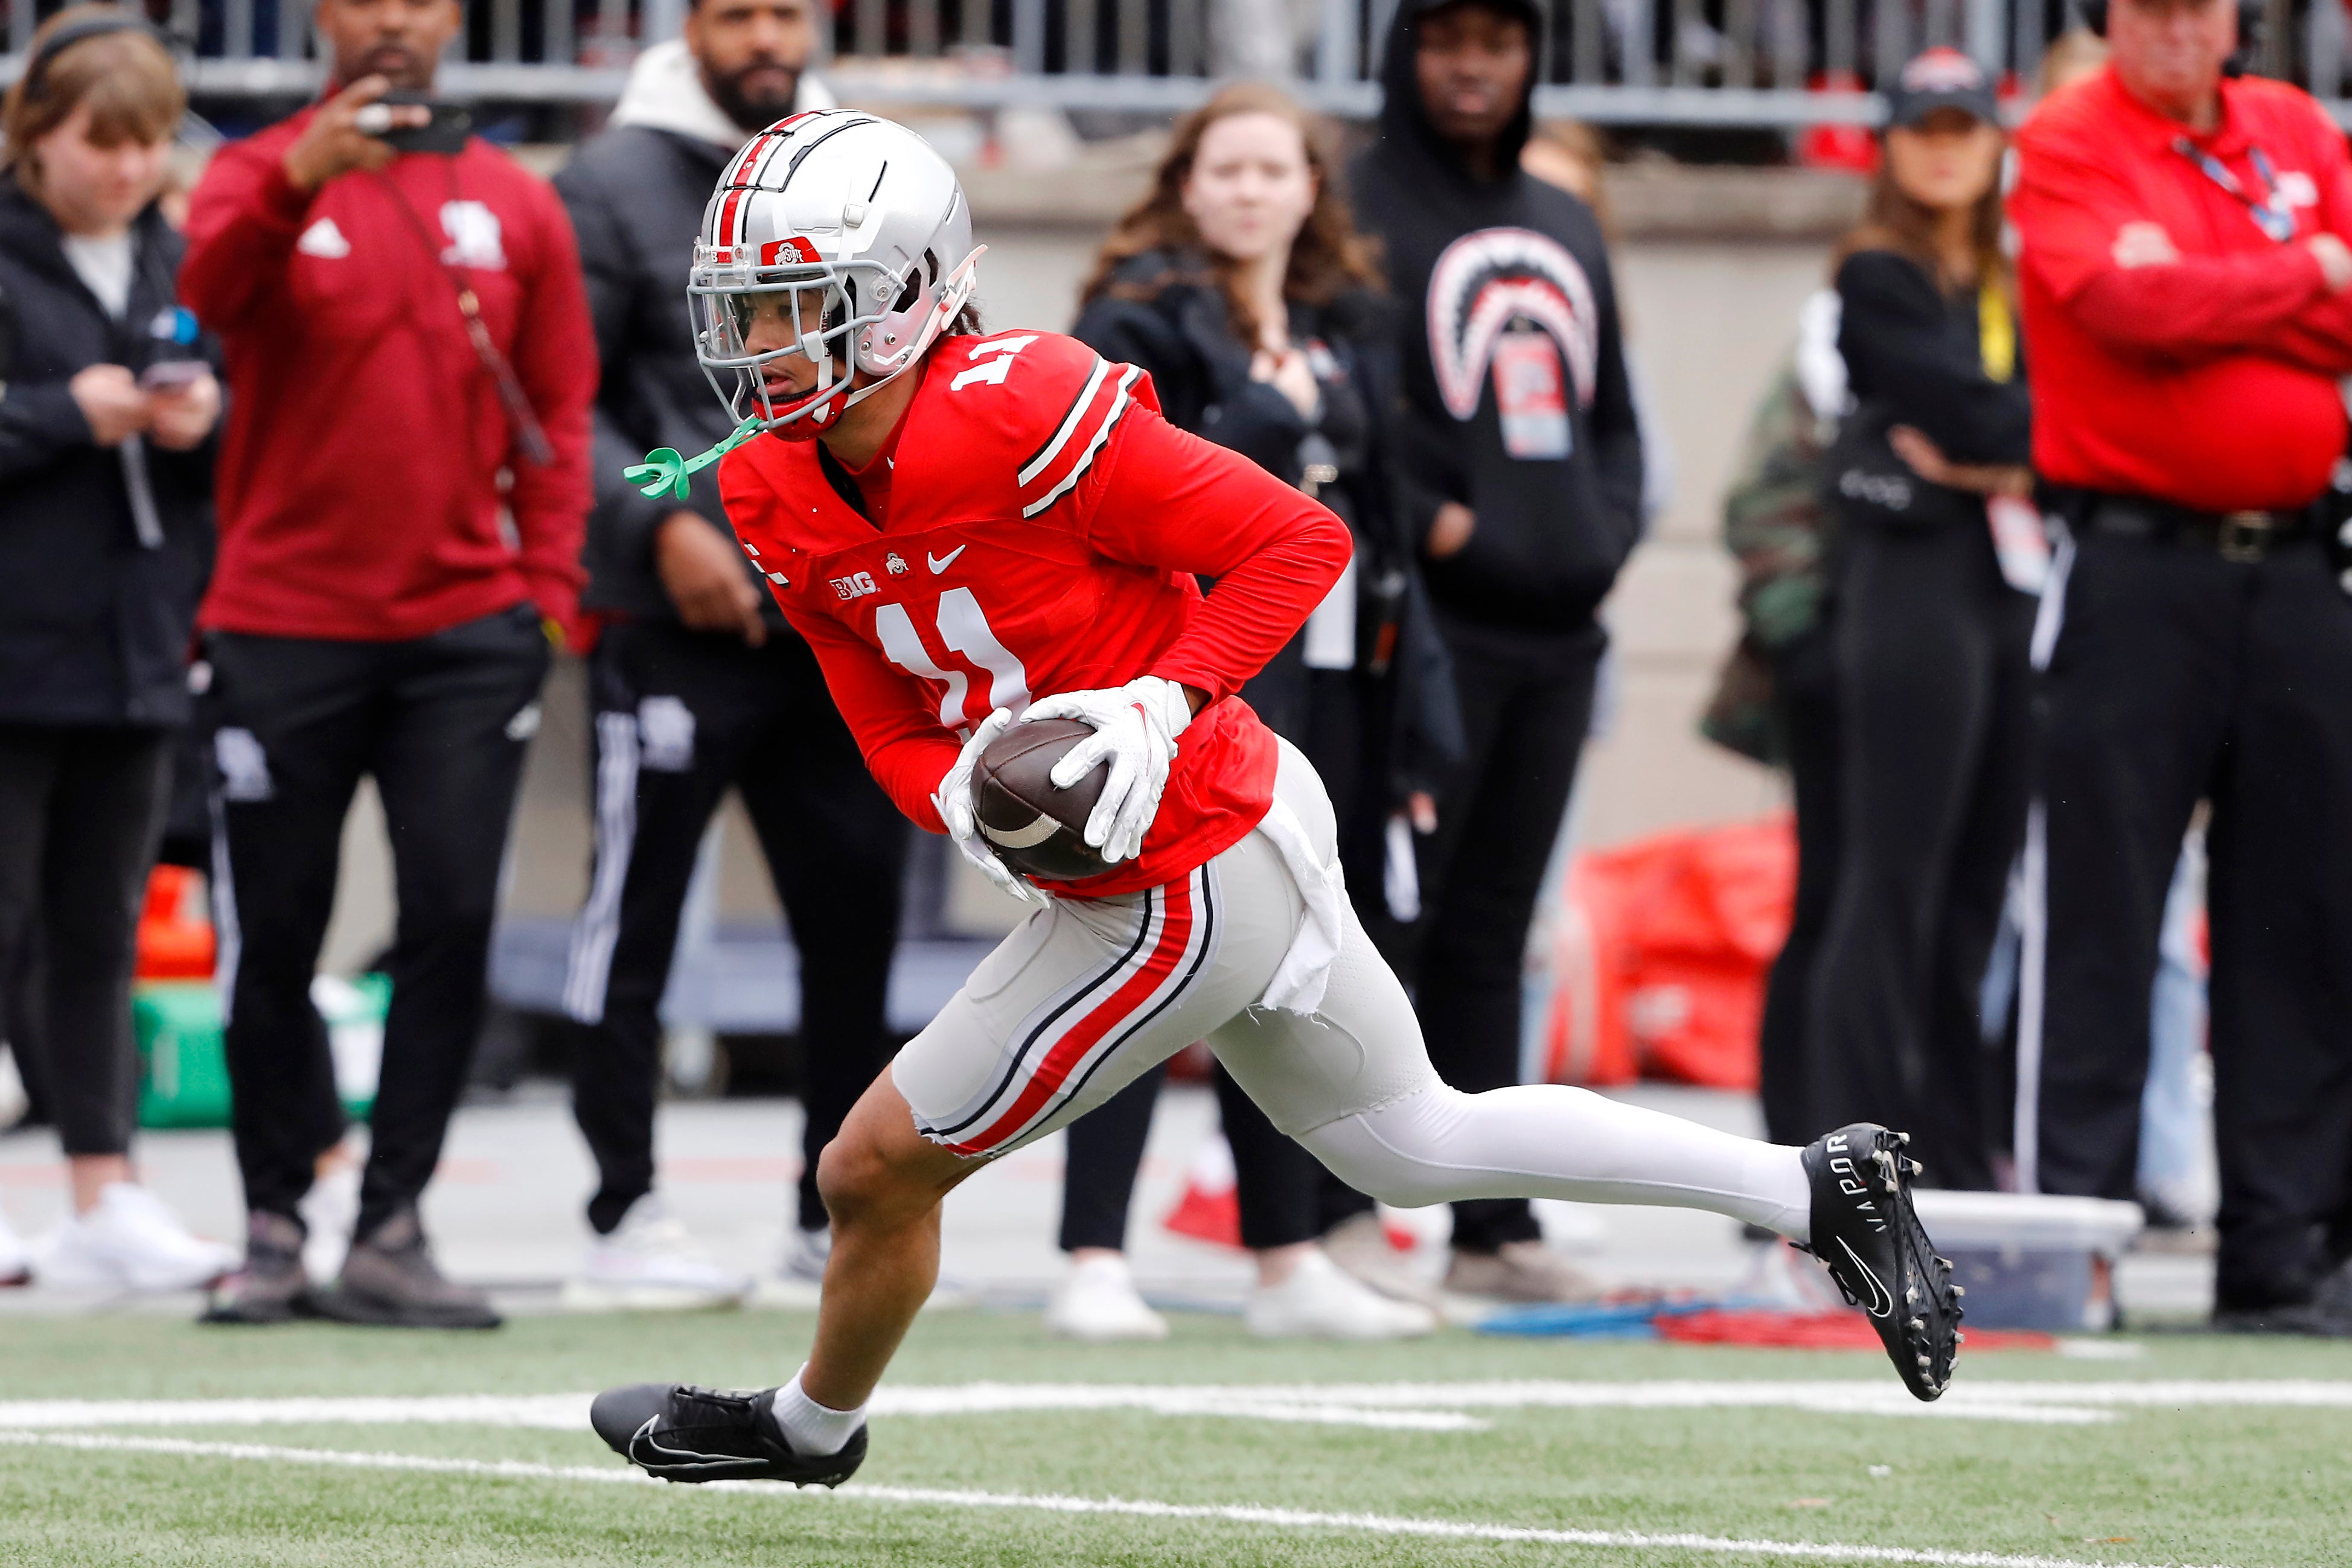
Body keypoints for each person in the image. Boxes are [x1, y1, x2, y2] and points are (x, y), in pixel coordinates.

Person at [583, 109, 1961, 1490]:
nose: (753, 342)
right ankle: (1813, 1187)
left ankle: (807, 1431)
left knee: (871, 1167)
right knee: (1418, 1144)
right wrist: (943, 791)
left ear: (902, 298)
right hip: (1203, 840)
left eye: (788, 304)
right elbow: (866, 678)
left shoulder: (1014, 406)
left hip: (1179, 862)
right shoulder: (766, 481)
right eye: (742, 308)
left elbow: (1299, 541)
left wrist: (1159, 695)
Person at [182, 0, 594, 1327]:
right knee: (276, 929)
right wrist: (300, 180)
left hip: (465, 637)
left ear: (452, 20)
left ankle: (393, 1226)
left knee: (451, 920)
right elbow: (205, 302)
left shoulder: (514, 203)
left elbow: (562, 411)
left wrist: (546, 597)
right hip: (280, 622)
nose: (392, 21)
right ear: (322, 18)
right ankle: (269, 1221)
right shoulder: (257, 172)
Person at [1052, 83, 1454, 1341]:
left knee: (1283, 957)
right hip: (1174, 677)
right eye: (1221, 169)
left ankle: (1283, 1258)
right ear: (1185, 182)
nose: (1245, 190)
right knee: (1149, 948)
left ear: (1308, 190)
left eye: (1270, 169)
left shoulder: (1348, 326)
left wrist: (1417, 717)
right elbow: (1120, 495)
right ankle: (1092, 1256)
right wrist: (1266, 418)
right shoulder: (1136, 322)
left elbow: (1382, 534)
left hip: (1329, 682)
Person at [552, 0, 901, 1311]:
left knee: (854, 925)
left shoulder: (853, 165)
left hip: (840, 619)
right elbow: (564, 397)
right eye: (736, 10)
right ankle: (619, 1210)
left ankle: (839, 1218)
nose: (765, 34)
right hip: (673, 625)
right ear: (686, 24)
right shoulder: (612, 178)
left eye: (785, 10)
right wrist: (659, 527)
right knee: (629, 919)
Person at [2010, 0, 2352, 1331]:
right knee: (2101, 909)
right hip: (2134, 566)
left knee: (2303, 919)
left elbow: (2245, 314)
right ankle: (2073, 1250)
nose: (2170, 29)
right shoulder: (2065, 138)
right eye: (2145, 7)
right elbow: (2114, 303)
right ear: (2111, 21)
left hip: (2299, 572)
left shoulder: (2290, 128)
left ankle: (2282, 1249)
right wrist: (2304, 275)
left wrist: (2230, 295)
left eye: (2195, 5)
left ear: (2231, 20)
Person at [1344, 0, 1647, 1301]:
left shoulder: (1562, 216)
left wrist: (1598, 529)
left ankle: (1490, 1228)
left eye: (1501, 40)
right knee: (1389, 921)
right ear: (1405, 51)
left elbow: (1616, 415)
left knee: (1496, 932)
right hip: (1434, 631)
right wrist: (1452, 526)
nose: (1474, 65)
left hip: (1558, 634)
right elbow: (1360, 410)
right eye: (1446, 37)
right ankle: (1340, 1218)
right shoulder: (1357, 208)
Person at [0, 5, 233, 1294]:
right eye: (101, 142)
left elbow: (220, 396)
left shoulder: (169, 258)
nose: (127, 169)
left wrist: (206, 413)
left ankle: (106, 1191)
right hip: (17, 647)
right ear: (37, 136)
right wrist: (54, 414)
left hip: (136, 649)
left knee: (99, 930)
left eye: (146, 143)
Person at [1805, 48, 2034, 1193]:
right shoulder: (1876, 273)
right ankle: (1852, 1170)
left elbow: (2043, 415)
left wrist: (2011, 448)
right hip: (1909, 589)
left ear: (1998, 142)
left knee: (1977, 897)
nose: (1945, 144)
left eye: (1965, 125)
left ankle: (1960, 1166)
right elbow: (1975, 408)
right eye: (1923, 126)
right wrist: (2020, 443)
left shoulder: (2009, 274)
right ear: (1889, 143)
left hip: (2004, 591)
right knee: (1892, 881)